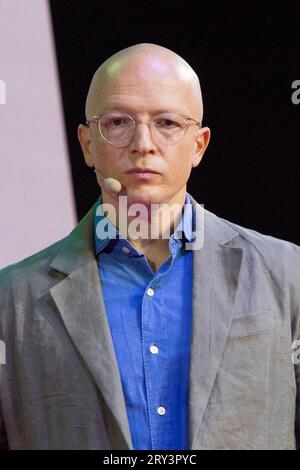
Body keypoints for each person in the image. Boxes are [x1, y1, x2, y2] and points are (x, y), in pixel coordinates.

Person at [0, 43, 300, 450]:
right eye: (119, 122)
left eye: (167, 123)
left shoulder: (287, 274)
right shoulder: (12, 299)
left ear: (199, 145)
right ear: (88, 144)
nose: (144, 143)